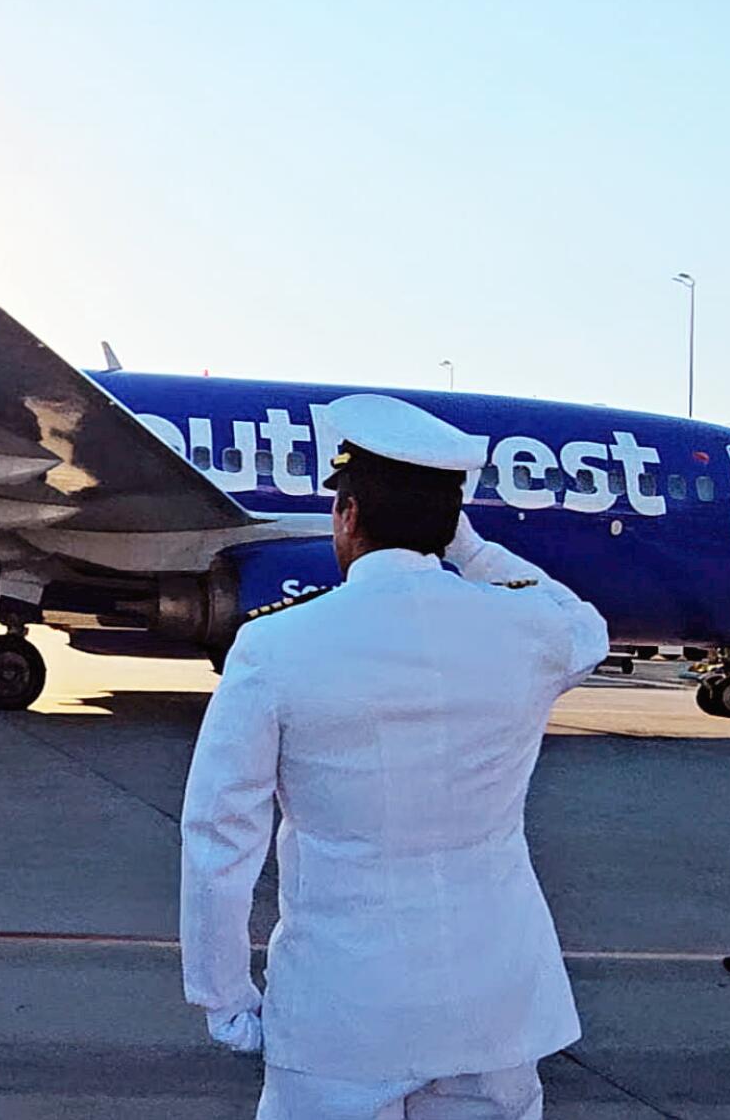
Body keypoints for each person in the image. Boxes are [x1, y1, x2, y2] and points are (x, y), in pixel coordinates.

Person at [180, 393, 609, 1120]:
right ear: (451, 522)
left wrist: (226, 998)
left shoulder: (276, 647)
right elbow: (584, 621)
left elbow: (219, 839)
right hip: (496, 1005)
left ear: (345, 516)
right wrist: (467, 547)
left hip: (342, 1011)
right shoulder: (529, 632)